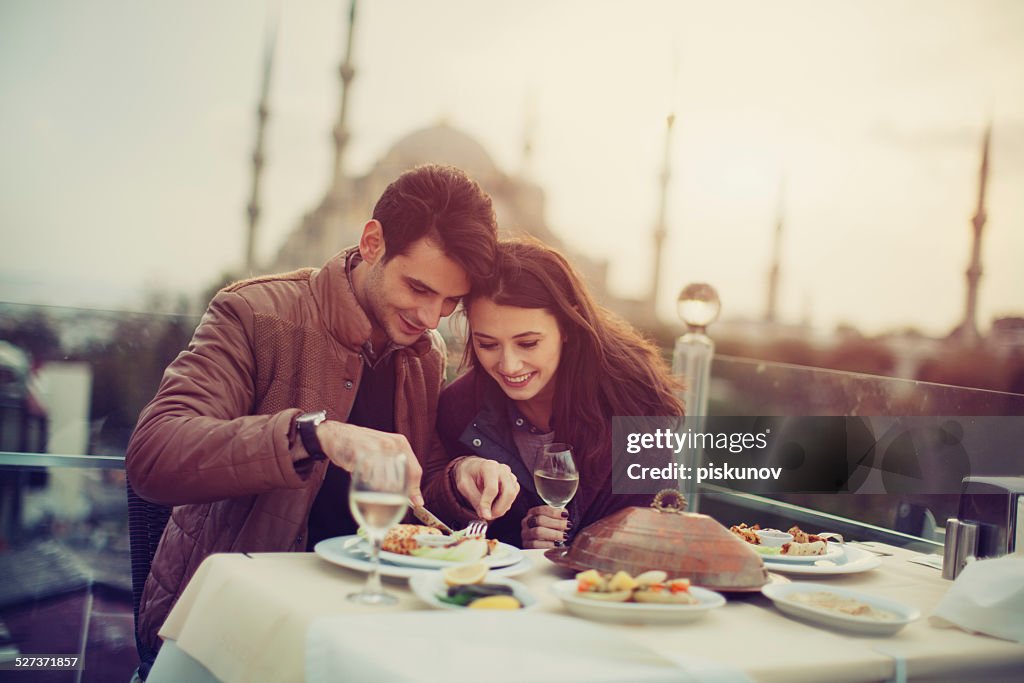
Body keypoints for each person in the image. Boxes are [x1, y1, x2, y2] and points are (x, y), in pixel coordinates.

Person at [125, 164, 497, 675]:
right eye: (418, 288)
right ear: (372, 243)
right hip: (232, 625)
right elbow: (154, 453)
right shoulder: (254, 313)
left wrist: (456, 478)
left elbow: (416, 483)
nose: (431, 319)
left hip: (360, 626)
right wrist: (314, 435)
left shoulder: (425, 353)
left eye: (450, 303)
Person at [422, 238, 684, 548]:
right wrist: (460, 482)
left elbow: (657, 531)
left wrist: (572, 544)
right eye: (487, 344)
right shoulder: (459, 409)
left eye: (528, 343)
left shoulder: (634, 399)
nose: (508, 365)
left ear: (568, 328)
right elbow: (434, 530)